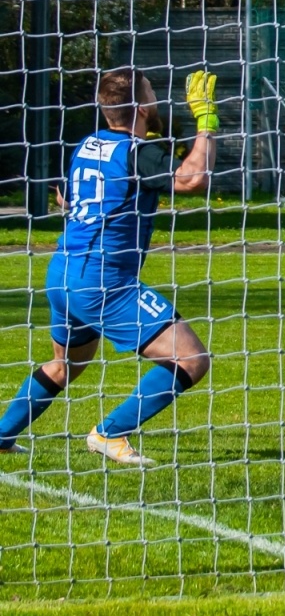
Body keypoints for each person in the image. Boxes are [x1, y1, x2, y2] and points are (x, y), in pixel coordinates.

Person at [0, 68, 216, 465]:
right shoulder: (137, 153)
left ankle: (1, 434)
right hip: (104, 281)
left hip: (63, 273)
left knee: (66, 366)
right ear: (141, 106)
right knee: (191, 359)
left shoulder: (87, 144)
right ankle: (110, 433)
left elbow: (70, 199)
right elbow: (193, 179)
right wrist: (206, 121)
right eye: (151, 93)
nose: (156, 99)